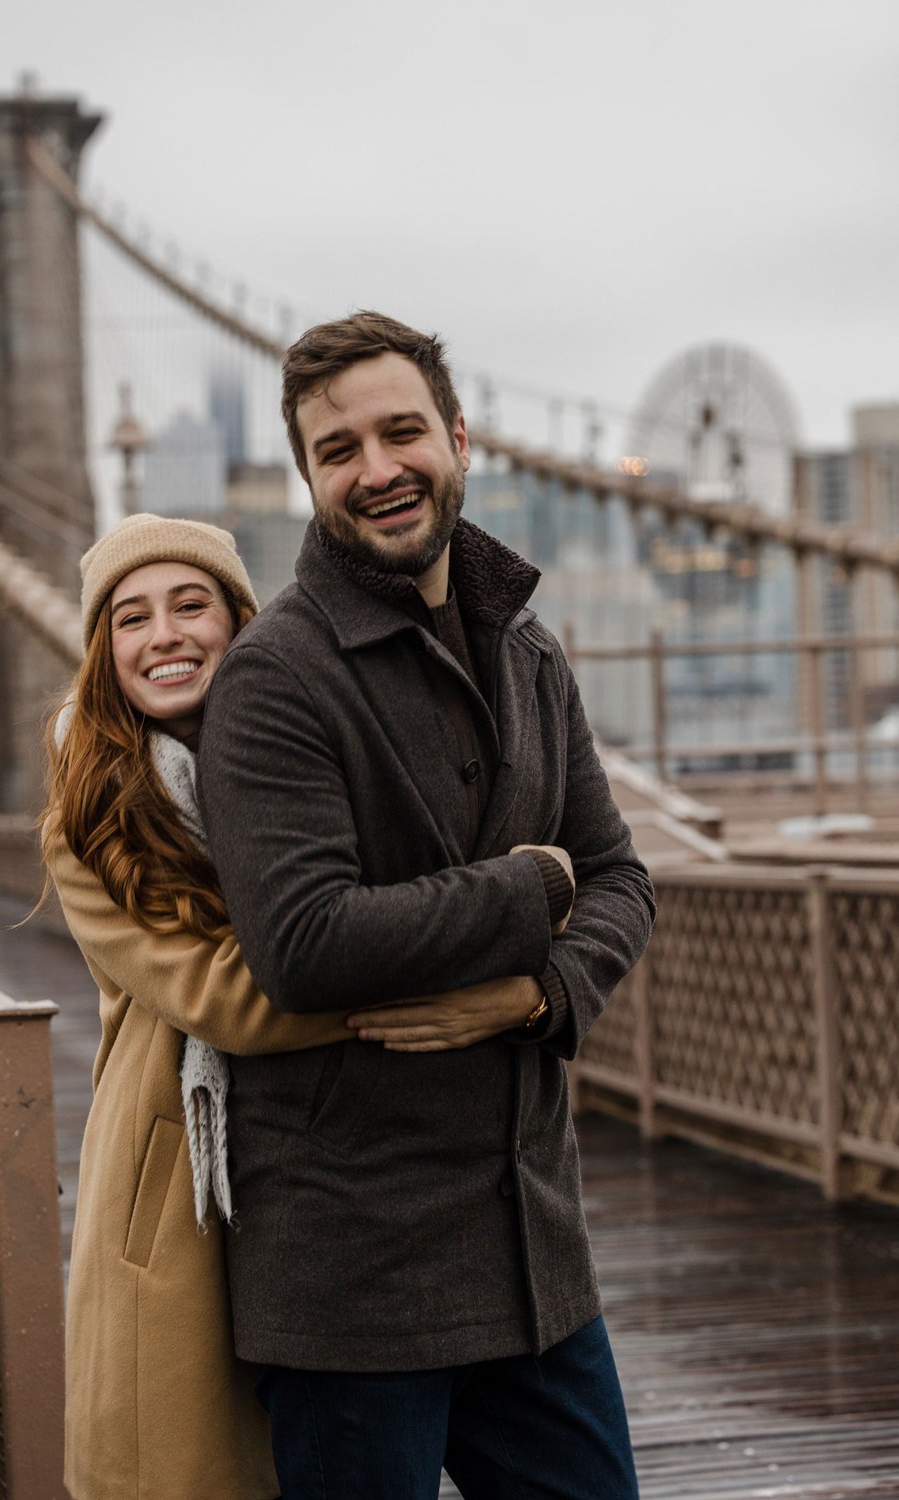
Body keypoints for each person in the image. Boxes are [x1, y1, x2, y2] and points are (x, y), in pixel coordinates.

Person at [197, 311, 657, 1500]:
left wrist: (535, 992)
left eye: (402, 432)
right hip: (356, 1285)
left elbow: (619, 876)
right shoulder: (271, 679)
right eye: (338, 449)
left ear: (459, 437)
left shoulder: (529, 651)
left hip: (536, 1259)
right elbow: (303, 942)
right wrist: (529, 887)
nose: (378, 469)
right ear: (309, 478)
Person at [40, 511, 530, 1500]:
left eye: (191, 605)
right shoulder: (88, 818)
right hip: (190, 1185)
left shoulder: (316, 750)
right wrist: (472, 967)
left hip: (353, 1191)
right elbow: (228, 998)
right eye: (130, 618)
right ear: (103, 652)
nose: (164, 635)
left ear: (240, 622)